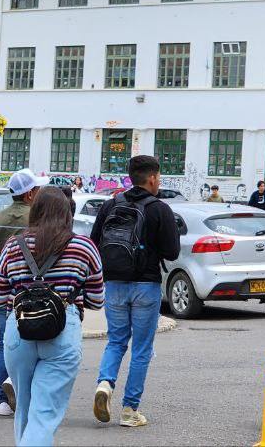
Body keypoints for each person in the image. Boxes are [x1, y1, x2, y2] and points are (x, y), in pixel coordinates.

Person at [0, 187, 105, 445]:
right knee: (44, 413)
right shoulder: (84, 247)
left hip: (18, 332)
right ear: (66, 213)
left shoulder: (13, 245)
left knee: (24, 408)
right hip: (63, 332)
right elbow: (97, 300)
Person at [89, 155, 180, 428]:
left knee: (116, 341)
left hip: (114, 283)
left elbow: (95, 243)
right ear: (152, 178)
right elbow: (172, 252)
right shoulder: (159, 209)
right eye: (159, 177)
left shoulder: (110, 205)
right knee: (141, 348)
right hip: (145, 285)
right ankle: (130, 410)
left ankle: (105, 383)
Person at [0, 168, 49, 417]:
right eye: (37, 190)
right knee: (35, 342)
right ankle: (26, 394)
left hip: (1, 292)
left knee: (3, 343)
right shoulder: (38, 221)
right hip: (33, 294)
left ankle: (3, 399)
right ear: (29, 194)